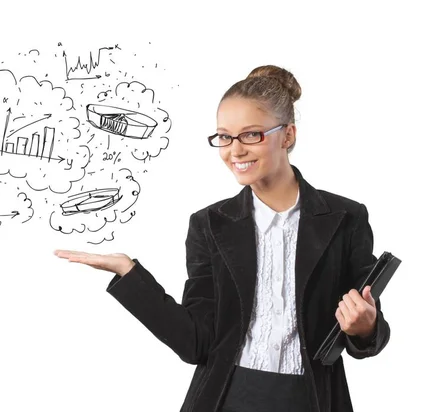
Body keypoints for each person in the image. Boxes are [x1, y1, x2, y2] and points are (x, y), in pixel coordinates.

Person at [54, 65, 391, 412]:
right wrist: (129, 274)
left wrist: (366, 327)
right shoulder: (209, 226)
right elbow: (196, 344)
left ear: (287, 135)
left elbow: (369, 332)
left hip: (312, 399)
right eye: (224, 137)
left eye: (251, 135)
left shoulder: (345, 218)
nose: (235, 151)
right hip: (226, 398)